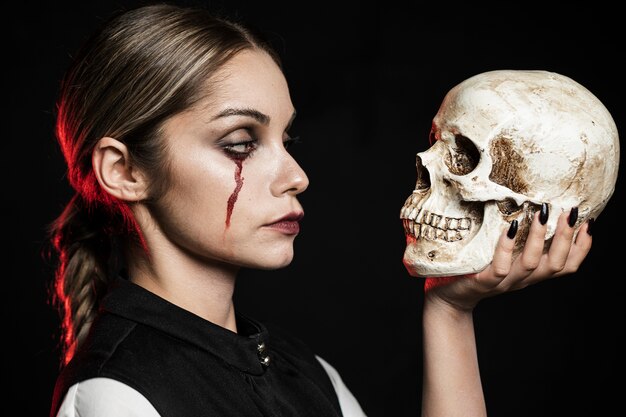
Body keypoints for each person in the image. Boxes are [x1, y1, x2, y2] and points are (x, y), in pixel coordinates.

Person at [46, 3, 593, 417]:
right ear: (124, 171)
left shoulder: (308, 374)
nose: (296, 176)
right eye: (240, 142)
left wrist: (450, 310)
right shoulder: (116, 398)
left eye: (287, 139)